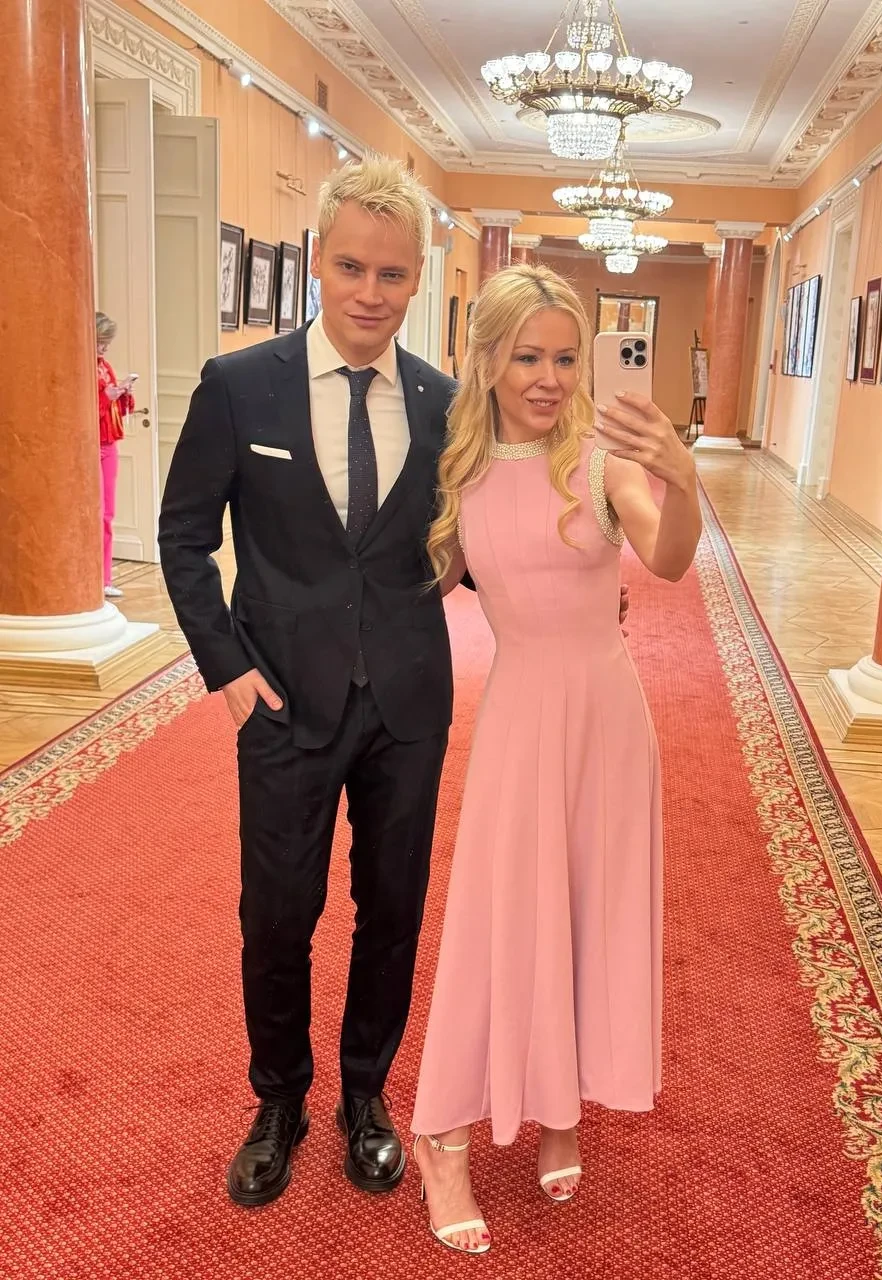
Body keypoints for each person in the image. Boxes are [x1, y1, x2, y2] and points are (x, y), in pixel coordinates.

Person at [158, 155, 629, 1209]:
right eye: (352, 268)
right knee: (277, 913)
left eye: (393, 274)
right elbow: (183, 537)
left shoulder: (449, 406)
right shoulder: (240, 386)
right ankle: (279, 1100)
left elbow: (483, 534)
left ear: (418, 278)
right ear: (318, 261)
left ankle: (364, 1095)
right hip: (282, 702)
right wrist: (226, 668)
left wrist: (580, 587)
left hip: (409, 704)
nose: (371, 293)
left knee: (393, 909)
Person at [411, 264, 702, 1255]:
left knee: (587, 912)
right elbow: (417, 577)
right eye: (527, 356)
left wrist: (681, 476)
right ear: (489, 359)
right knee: (498, 919)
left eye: (566, 357)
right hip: (520, 716)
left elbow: (667, 559)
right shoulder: (457, 469)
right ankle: (442, 1135)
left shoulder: (600, 460)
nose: (548, 377)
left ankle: (562, 1105)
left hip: (609, 722)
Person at [96, 313, 135, 600]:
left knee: (107, 514)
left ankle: (105, 578)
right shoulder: (81, 367)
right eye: (101, 342)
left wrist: (122, 393)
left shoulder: (105, 367)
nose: (105, 348)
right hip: (89, 444)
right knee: (94, 515)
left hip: (108, 443)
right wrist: (104, 397)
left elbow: (119, 410)